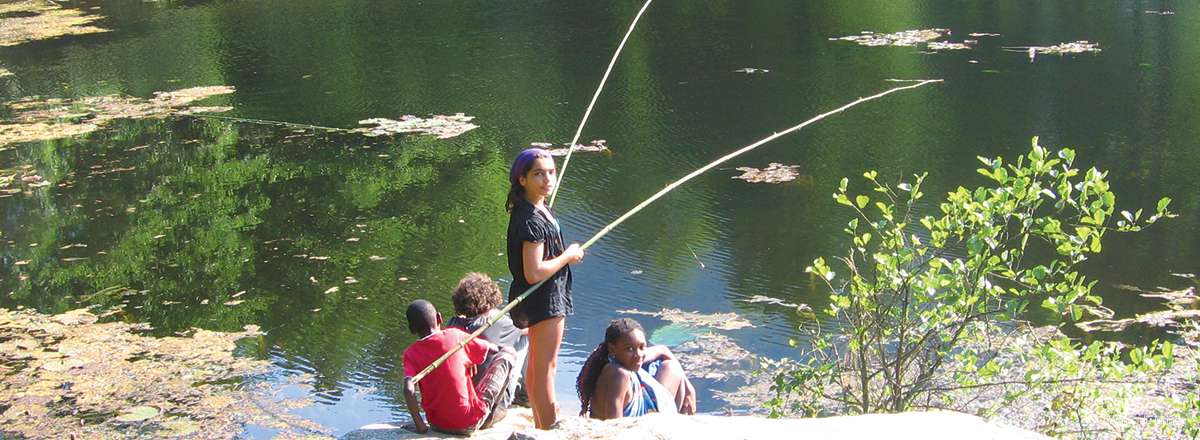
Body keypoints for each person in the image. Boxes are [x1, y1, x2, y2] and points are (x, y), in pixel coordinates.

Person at [505, 148, 585, 429]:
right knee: (545, 371)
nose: (547, 179)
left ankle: (541, 428)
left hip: (544, 299)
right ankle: (550, 429)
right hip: (545, 301)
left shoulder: (537, 208)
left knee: (537, 370)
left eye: (550, 172)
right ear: (522, 179)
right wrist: (568, 256)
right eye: (538, 174)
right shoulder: (531, 220)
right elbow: (534, 271)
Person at [402, 300, 515, 435]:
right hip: (468, 423)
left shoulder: (410, 353)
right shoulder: (455, 336)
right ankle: (489, 417)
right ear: (439, 318)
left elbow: (409, 389)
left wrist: (420, 425)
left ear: (411, 330)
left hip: (436, 423)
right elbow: (493, 349)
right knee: (508, 353)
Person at [575, 318, 697, 419]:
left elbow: (663, 350)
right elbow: (613, 426)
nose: (638, 354)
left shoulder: (625, 360)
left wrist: (689, 388)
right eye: (629, 349)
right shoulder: (618, 374)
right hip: (639, 426)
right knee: (673, 369)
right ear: (612, 349)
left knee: (671, 367)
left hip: (648, 414)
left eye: (642, 347)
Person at [446, 272, 528, 405]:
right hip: (492, 403)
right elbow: (530, 330)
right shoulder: (497, 321)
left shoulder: (453, 323)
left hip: (463, 398)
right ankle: (524, 395)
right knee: (525, 338)